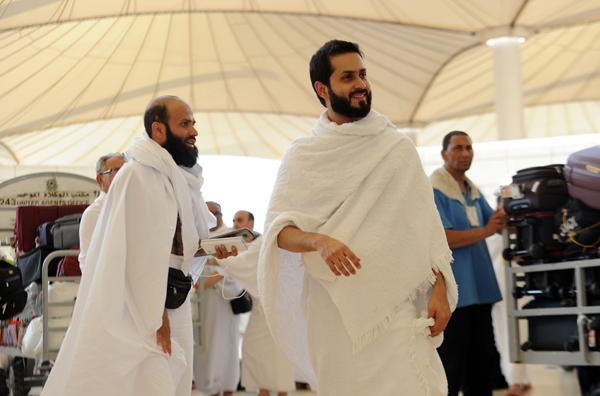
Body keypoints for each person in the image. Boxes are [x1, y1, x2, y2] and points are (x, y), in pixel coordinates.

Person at [256, 40, 457, 395]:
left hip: (398, 303)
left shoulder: (397, 148)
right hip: (333, 309)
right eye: (347, 77)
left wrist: (440, 286)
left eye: (362, 74)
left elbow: (425, 226)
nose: (360, 84)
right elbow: (279, 232)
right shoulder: (303, 156)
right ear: (323, 89)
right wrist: (319, 241)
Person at [42, 95, 235, 396]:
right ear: (158, 131)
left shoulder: (181, 179)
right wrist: (155, 317)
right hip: (142, 308)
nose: (194, 131)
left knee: (177, 383)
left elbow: (176, 246)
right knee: (149, 383)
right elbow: (133, 254)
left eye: (194, 123)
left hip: (175, 300)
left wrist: (210, 248)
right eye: (184, 124)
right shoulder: (136, 176)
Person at [430, 130, 506, 396]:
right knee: (452, 364)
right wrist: (485, 230)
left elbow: (494, 222)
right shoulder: (435, 189)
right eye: (458, 148)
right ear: (444, 154)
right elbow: (443, 238)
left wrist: (510, 207)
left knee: (481, 362)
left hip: (480, 289)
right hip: (456, 294)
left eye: (469, 148)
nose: (465, 154)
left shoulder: (470, 188)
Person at [194, 202, 242, 396]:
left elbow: (239, 269)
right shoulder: (197, 236)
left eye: (215, 214)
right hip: (202, 305)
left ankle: (227, 388)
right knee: (206, 349)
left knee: (226, 347)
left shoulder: (231, 237)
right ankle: (209, 389)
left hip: (224, 305)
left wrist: (216, 276)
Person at [78, 153, 125, 272]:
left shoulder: (132, 207)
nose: (124, 176)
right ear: (100, 179)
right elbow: (87, 264)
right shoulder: (93, 214)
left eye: (126, 170)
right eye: (117, 171)